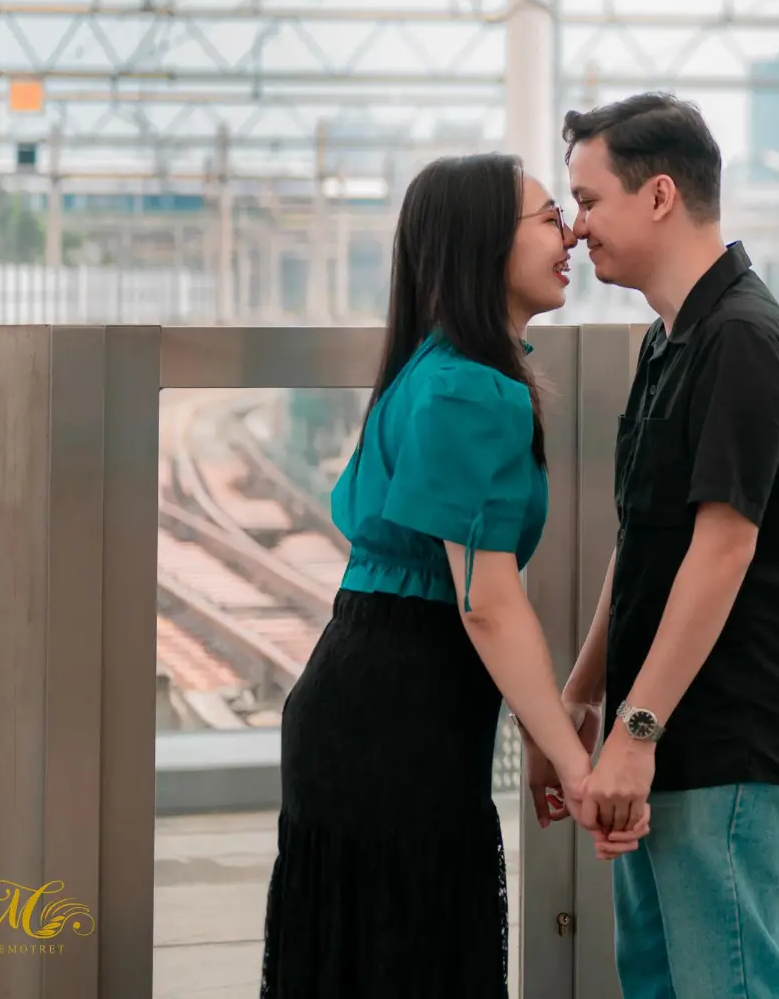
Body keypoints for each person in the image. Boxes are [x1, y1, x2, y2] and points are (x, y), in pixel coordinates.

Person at [261, 153, 646, 999]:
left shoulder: (432, 369)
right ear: (483, 244)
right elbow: (488, 605)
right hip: (399, 724)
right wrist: (574, 764)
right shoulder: (472, 390)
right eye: (548, 219)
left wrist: (544, 737)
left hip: (374, 706)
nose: (569, 237)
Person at [550, 93, 779, 999]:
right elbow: (644, 542)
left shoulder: (742, 340)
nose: (576, 228)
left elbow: (722, 550)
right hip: (665, 730)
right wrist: (585, 695)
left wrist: (636, 729)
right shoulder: (670, 340)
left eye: (588, 201)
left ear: (660, 195)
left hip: (723, 739)